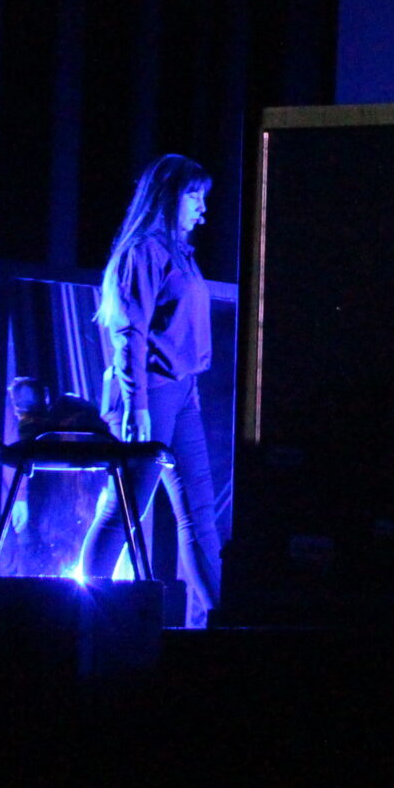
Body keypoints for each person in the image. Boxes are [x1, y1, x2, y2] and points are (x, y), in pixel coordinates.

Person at [80, 153, 224, 627]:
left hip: (182, 394)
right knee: (125, 508)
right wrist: (137, 404)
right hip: (151, 393)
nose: (202, 208)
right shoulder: (143, 251)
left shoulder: (180, 254)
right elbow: (129, 333)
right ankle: (85, 616)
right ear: (168, 197)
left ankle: (220, 620)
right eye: (194, 196)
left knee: (199, 513)